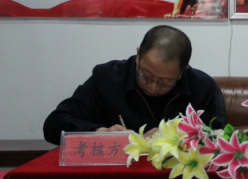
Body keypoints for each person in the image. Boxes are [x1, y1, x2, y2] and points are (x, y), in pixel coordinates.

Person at [43, 25, 226, 145]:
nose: (152, 87)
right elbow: (54, 125)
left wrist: (181, 136)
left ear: (182, 70)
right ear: (138, 55)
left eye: (165, 82)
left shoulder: (201, 86)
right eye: (145, 75)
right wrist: (100, 132)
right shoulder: (107, 78)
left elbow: (219, 137)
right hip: (116, 178)